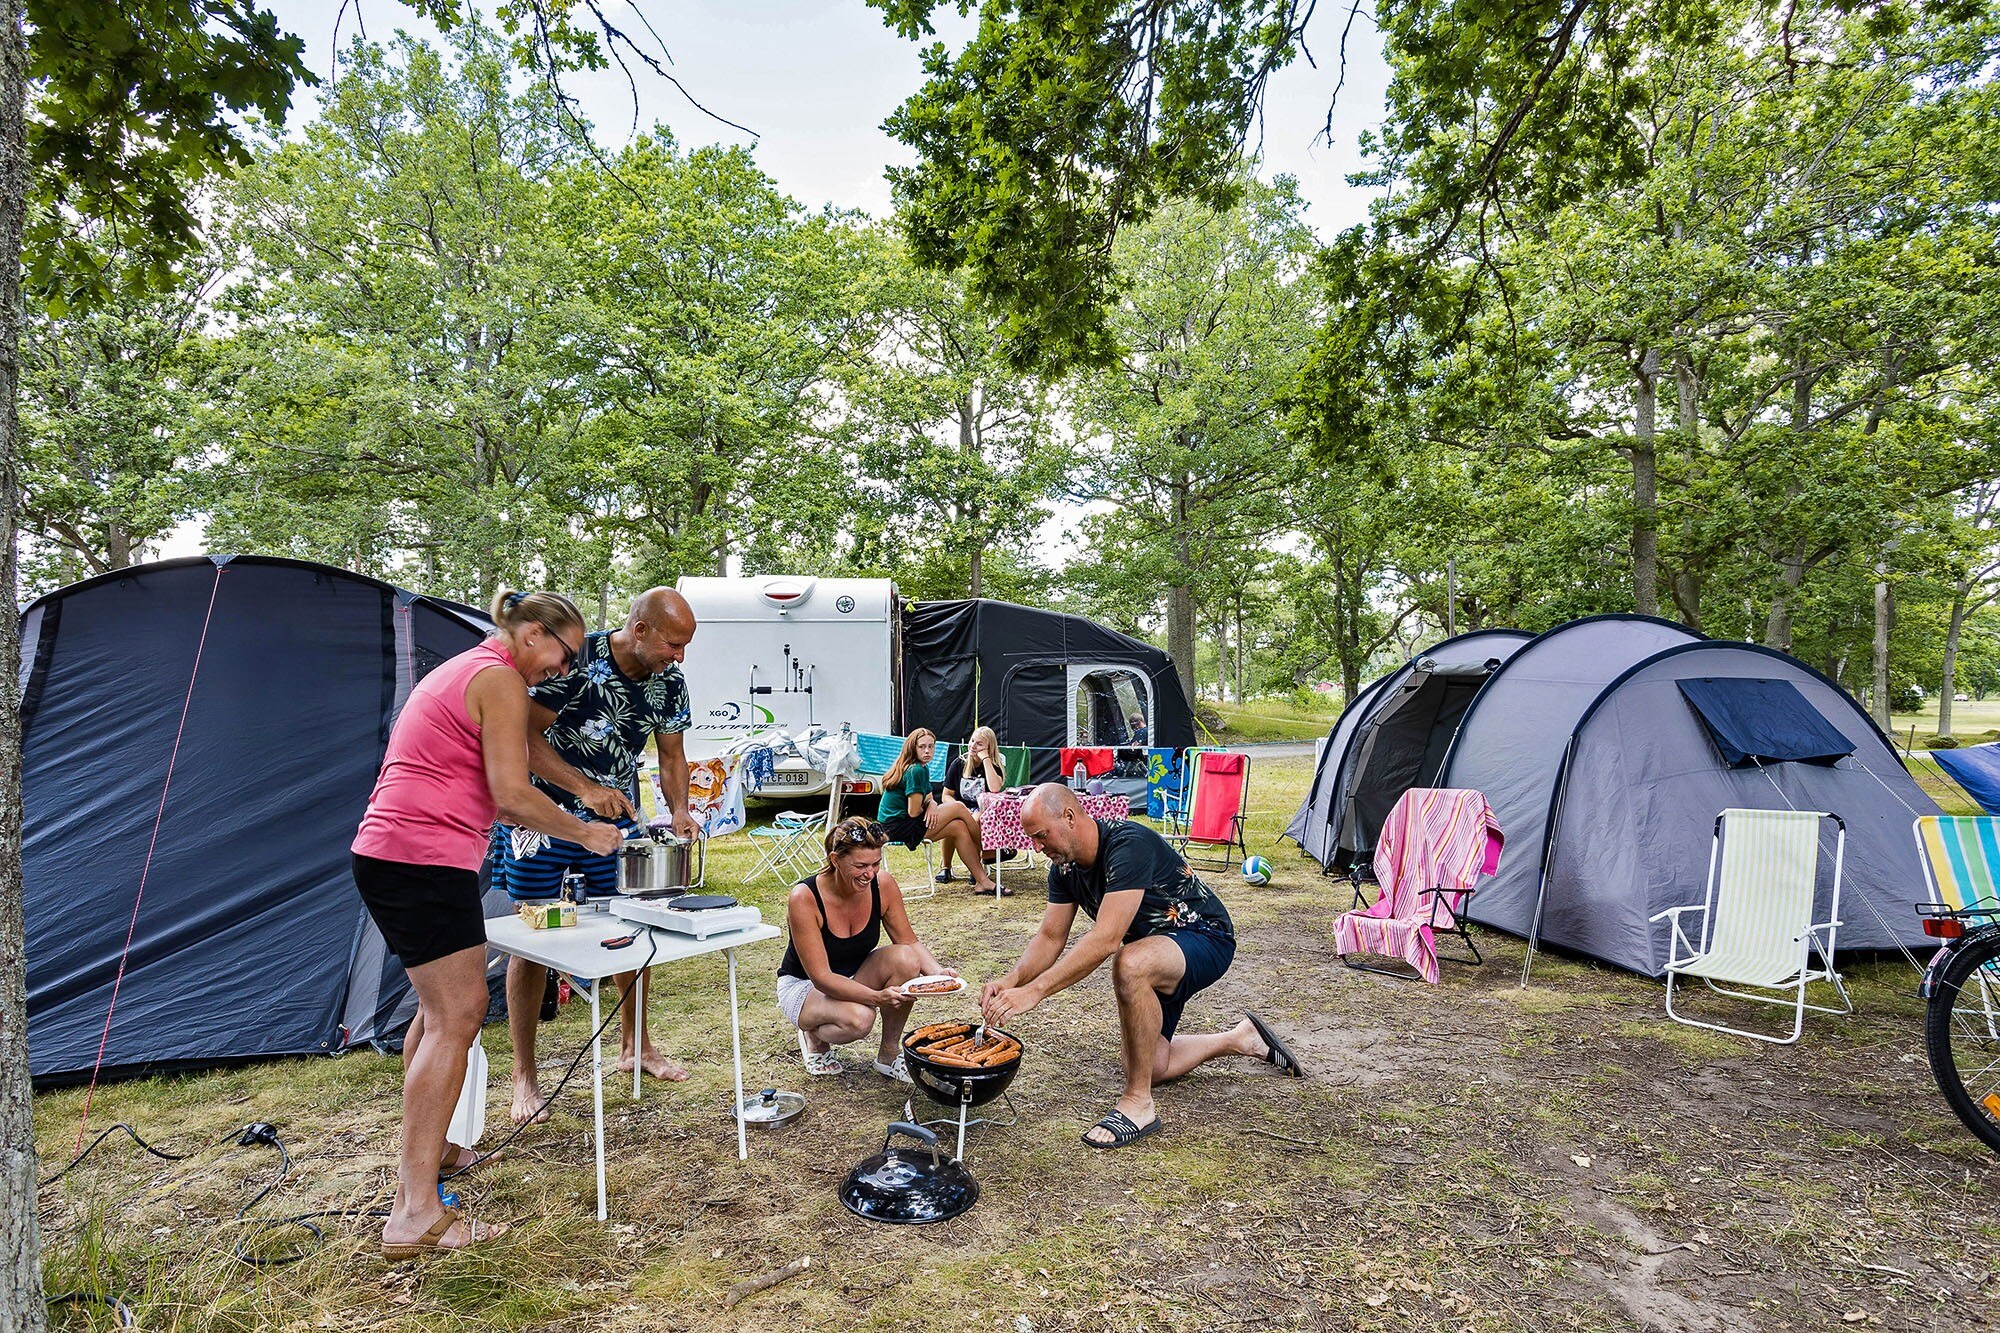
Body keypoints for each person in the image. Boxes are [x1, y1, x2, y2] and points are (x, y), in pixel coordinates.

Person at [351, 588, 623, 1258]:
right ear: (531, 635)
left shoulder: (471, 670)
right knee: (459, 1014)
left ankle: (437, 1149)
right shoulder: (499, 678)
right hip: (420, 858)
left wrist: (583, 790)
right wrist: (583, 831)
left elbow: (510, 769)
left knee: (437, 1012)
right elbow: (511, 794)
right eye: (564, 655)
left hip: (396, 854)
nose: (563, 670)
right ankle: (415, 1211)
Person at [979, 783, 1303, 1150]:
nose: (1036, 847)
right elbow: (1050, 937)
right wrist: (1012, 981)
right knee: (1153, 1065)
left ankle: (1138, 1104)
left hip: (1205, 938)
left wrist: (1035, 992)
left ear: (1069, 817)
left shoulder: (1127, 845)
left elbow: (1106, 939)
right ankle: (1240, 1039)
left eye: (1041, 836)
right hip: (1156, 953)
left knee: (1129, 963)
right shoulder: (1064, 869)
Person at [494, 587, 698, 1124]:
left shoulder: (669, 681)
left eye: (685, 646)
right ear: (640, 629)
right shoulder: (571, 659)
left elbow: (672, 755)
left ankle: (636, 1045)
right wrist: (584, 789)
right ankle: (524, 1076)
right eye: (673, 644)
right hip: (540, 818)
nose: (679, 657)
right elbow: (524, 738)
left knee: (631, 927)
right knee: (532, 939)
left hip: (616, 822)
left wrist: (679, 809)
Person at [778, 817, 956, 1080]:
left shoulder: (882, 884)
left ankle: (888, 1055)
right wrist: (877, 998)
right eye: (860, 866)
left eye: (875, 864)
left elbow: (909, 941)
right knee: (860, 1020)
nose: (869, 874)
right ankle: (814, 1035)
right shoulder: (804, 897)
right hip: (807, 986)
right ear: (835, 860)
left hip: (856, 974)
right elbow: (822, 977)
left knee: (907, 959)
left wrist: (939, 975)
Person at [877, 727, 1002, 895]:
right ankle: (987, 849)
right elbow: (914, 812)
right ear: (912, 747)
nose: (927, 751)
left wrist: (932, 805)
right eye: (922, 747)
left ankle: (983, 882)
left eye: (931, 746)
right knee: (959, 807)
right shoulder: (916, 770)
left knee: (958, 826)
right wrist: (931, 806)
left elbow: (929, 798)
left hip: (899, 824)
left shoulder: (922, 767)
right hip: (898, 828)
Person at [937, 725, 1010, 885]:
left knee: (976, 819)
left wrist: (986, 760)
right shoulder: (959, 763)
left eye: (979, 744)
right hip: (960, 807)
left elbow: (995, 788)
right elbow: (945, 795)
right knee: (953, 822)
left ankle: (975, 867)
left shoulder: (993, 765)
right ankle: (946, 867)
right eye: (972, 741)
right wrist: (959, 809)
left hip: (984, 810)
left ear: (989, 748)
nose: (973, 746)